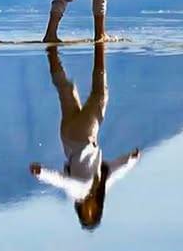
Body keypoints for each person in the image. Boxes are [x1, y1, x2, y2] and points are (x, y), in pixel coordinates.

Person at [29, 44, 140, 230]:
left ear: (79, 209)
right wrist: (131, 159)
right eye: (93, 212)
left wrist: (42, 174)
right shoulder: (101, 185)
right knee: (67, 89)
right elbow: (116, 172)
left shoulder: (78, 191)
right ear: (99, 208)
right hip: (69, 136)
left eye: (86, 213)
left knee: (100, 95)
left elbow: (61, 180)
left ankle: (100, 46)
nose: (89, 209)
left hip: (82, 136)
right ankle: (51, 52)